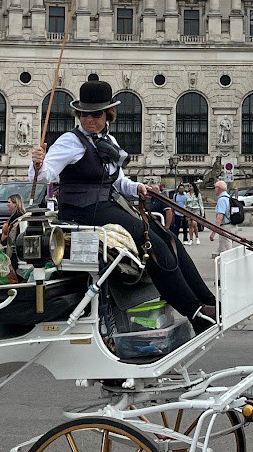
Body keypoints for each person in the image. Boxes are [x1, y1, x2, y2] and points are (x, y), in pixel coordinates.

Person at [32, 79, 217, 331]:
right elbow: (47, 174)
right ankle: (194, 311)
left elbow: (118, 181)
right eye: (84, 114)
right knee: (152, 243)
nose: (89, 119)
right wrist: (38, 164)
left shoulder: (109, 141)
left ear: (108, 114)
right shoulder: (70, 141)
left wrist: (138, 188)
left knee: (169, 237)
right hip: (82, 211)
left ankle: (208, 302)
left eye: (95, 114)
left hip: (105, 207)